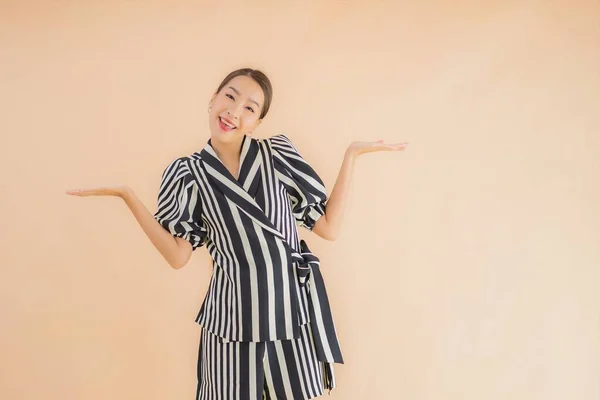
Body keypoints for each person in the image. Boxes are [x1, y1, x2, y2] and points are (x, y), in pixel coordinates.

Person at [66, 68, 408, 399]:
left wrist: (352, 155)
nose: (234, 111)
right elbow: (177, 256)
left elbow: (328, 227)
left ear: (258, 122)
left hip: (289, 313)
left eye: (249, 108)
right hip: (231, 324)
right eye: (229, 97)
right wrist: (127, 195)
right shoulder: (187, 173)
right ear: (213, 100)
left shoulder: (278, 154)